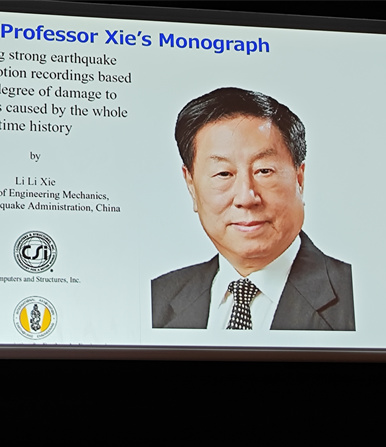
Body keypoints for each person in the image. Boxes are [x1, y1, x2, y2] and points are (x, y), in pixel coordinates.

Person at [151, 87, 355, 331]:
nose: (246, 198)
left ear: (299, 179)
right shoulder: (156, 299)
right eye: (223, 174)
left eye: (264, 171)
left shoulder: (355, 296)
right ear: (191, 186)